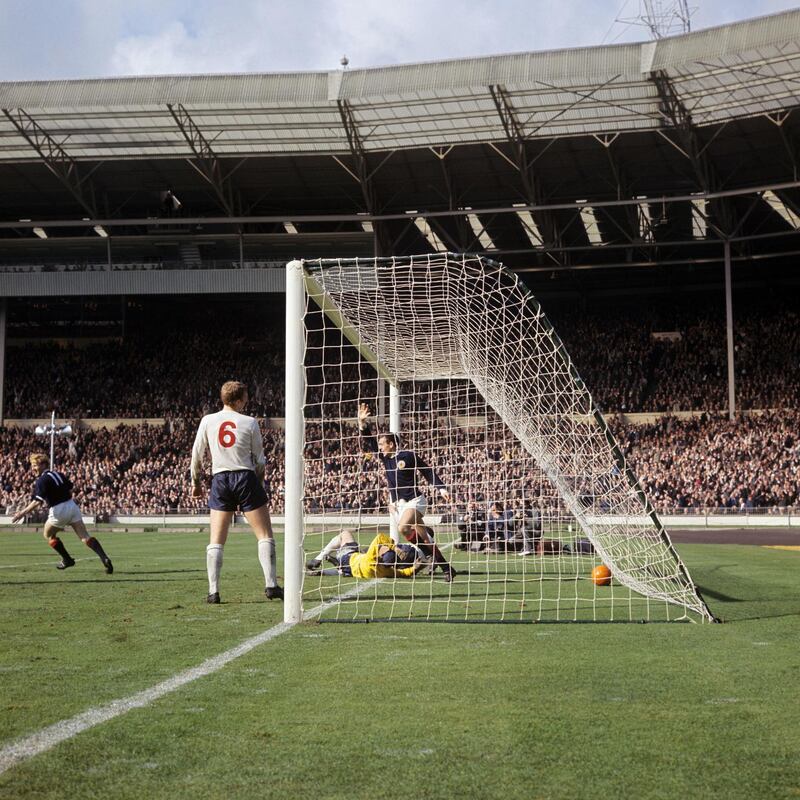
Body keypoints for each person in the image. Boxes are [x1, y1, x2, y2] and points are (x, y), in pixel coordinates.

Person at [191, 380, 283, 604]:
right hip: (245, 476)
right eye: (246, 397)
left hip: (220, 478)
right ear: (240, 400)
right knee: (264, 535)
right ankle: (271, 585)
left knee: (216, 539)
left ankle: (213, 592)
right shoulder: (249, 422)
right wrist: (259, 483)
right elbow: (259, 460)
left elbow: (197, 454)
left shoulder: (207, 420)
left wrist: (195, 482)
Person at [358, 403, 456, 582]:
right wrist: (363, 423)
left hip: (415, 501)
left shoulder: (408, 456)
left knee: (403, 527)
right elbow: (369, 440)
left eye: (382, 444)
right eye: (379, 444)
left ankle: (429, 552)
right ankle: (447, 568)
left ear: (391, 444)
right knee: (426, 540)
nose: (379, 447)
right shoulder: (385, 459)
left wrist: (441, 488)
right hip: (399, 506)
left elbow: (427, 470)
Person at [11, 453, 113, 574]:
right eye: (32, 465)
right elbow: (70, 487)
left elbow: (37, 502)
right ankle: (104, 558)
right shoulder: (58, 474)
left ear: (43, 464)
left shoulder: (42, 480)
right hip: (72, 506)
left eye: (35, 465)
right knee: (85, 536)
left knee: (48, 535)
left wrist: (21, 514)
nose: (33, 468)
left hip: (58, 509)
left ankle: (67, 559)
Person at [306, 530, 429, 579]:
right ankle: (328, 568)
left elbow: (379, 537)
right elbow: (402, 573)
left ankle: (319, 558)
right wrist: (414, 569)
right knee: (348, 568)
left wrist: (395, 548)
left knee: (345, 534)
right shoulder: (384, 571)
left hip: (348, 556)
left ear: (381, 556)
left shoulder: (372, 559)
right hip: (351, 570)